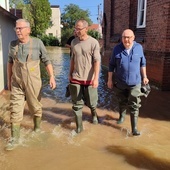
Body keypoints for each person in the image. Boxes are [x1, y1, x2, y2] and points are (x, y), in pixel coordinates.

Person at [6, 19, 56, 150]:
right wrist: (8, 81)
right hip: (17, 82)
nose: (17, 31)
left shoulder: (38, 43)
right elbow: (10, 63)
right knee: (15, 109)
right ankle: (14, 139)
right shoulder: (12, 45)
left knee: (35, 107)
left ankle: (37, 129)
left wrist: (51, 77)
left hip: (33, 82)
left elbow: (47, 60)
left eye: (20, 28)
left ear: (28, 30)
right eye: (16, 28)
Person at [107, 29, 149, 136]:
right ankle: (122, 116)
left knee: (134, 104)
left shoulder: (139, 48)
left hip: (135, 82)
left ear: (133, 38)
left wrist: (145, 76)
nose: (126, 40)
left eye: (129, 37)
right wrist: (109, 80)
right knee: (122, 101)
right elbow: (111, 65)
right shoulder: (117, 49)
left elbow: (142, 63)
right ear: (121, 38)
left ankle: (134, 128)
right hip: (120, 82)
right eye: (124, 37)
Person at [69, 19, 101, 134]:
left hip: (89, 79)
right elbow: (72, 59)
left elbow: (97, 61)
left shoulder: (94, 43)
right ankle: (79, 128)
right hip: (76, 77)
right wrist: (70, 73)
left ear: (86, 29)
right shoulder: (73, 42)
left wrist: (96, 78)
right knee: (77, 105)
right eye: (75, 28)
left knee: (91, 103)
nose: (76, 30)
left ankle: (94, 114)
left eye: (79, 28)